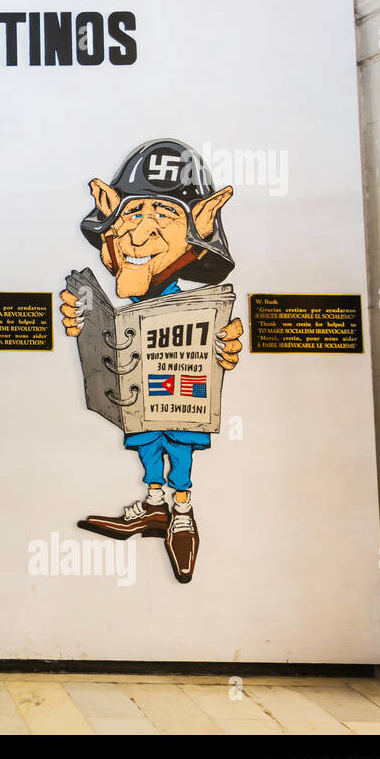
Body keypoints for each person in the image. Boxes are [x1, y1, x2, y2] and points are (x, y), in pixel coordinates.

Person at [59, 139, 244, 583]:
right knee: (141, 427)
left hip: (179, 380)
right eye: (132, 214)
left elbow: (221, 347)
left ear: (197, 234)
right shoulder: (118, 292)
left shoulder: (195, 306)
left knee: (179, 430)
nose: (137, 235)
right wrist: (82, 323)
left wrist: (224, 349)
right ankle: (155, 504)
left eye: (163, 217)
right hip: (135, 366)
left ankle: (181, 509)